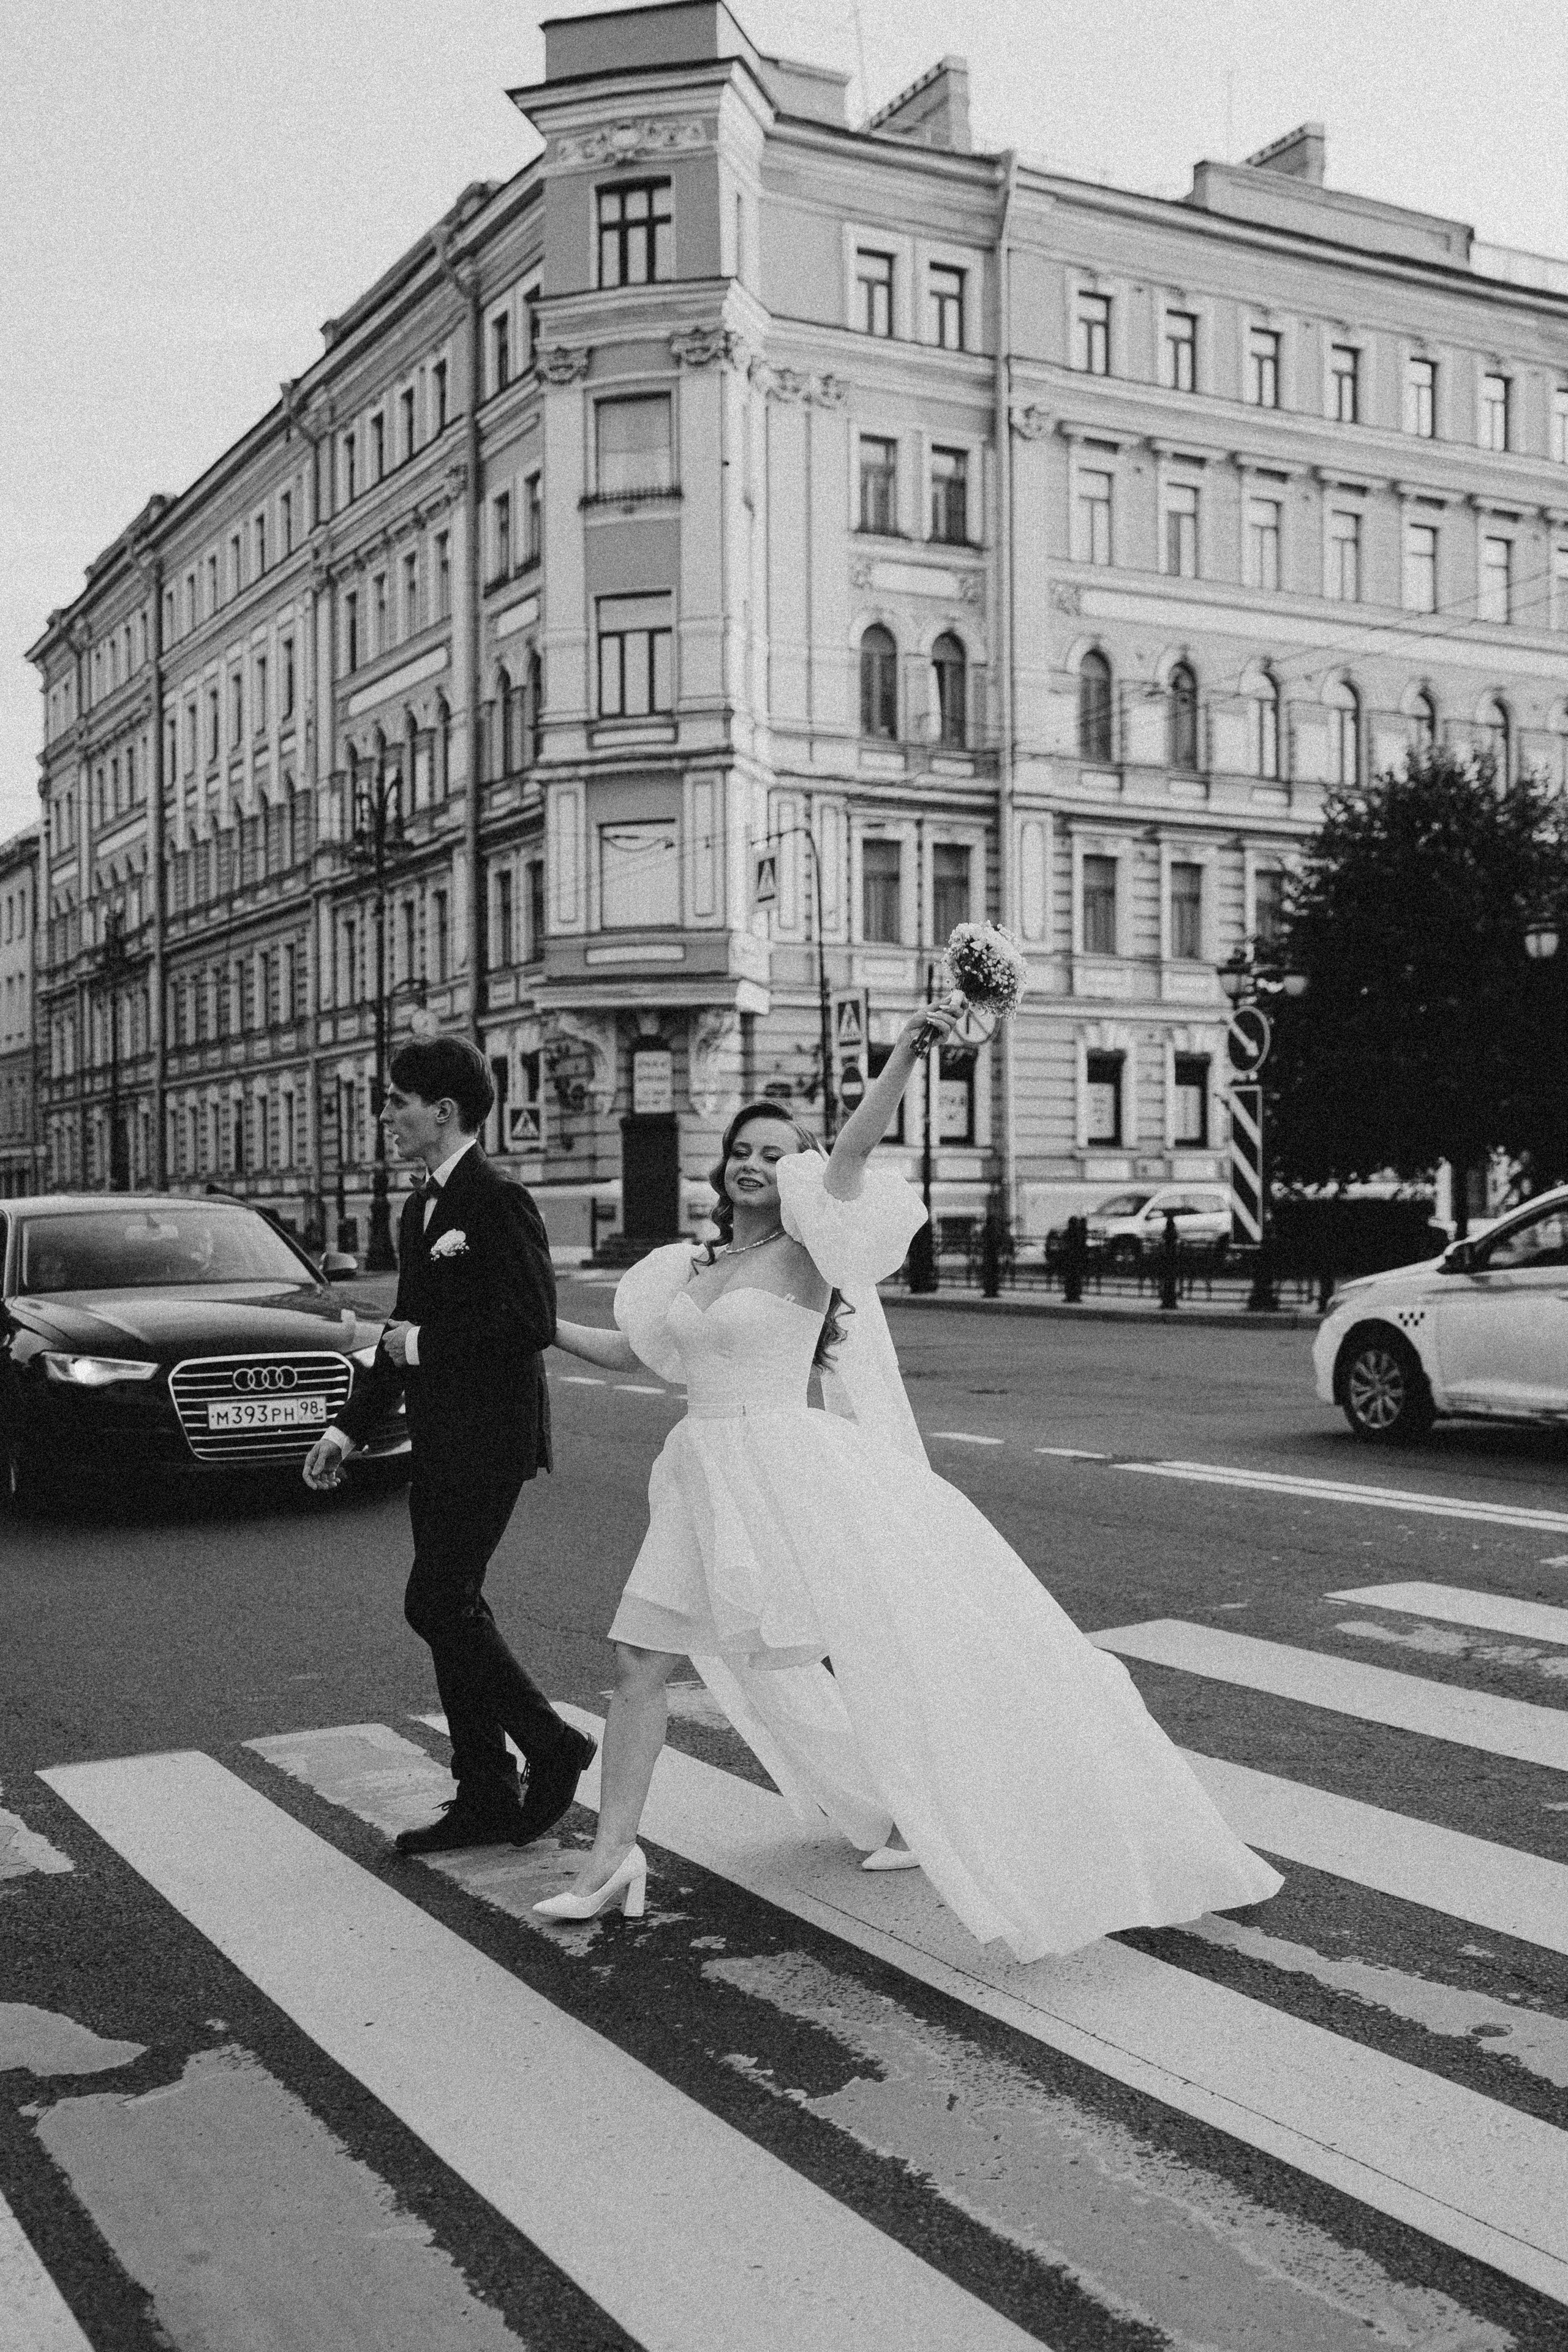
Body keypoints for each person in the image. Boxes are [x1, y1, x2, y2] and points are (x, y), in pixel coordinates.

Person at [535, 1003, 1283, 1958]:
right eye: (741, 1151)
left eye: (773, 1151)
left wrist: (906, 1055)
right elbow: (636, 1353)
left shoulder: (811, 1250)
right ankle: (609, 1860)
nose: (753, 1164)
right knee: (640, 1663)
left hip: (786, 1470)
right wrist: (535, 1324)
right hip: (699, 1478)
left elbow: (849, 1156)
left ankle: (949, 1808)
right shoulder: (690, 1264)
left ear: (796, 1169)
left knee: (880, 1647)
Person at [303, 1035, 595, 1854]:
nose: (384, 1116)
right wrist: (347, 1426)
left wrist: (425, 1347)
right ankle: (485, 1792)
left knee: (436, 1603)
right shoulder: (418, 1205)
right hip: (439, 1438)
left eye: (395, 1101)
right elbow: (402, 1327)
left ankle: (551, 1744)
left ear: (443, 1111)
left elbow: (529, 1320)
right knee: (451, 1608)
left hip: (492, 1439)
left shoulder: (496, 1199)